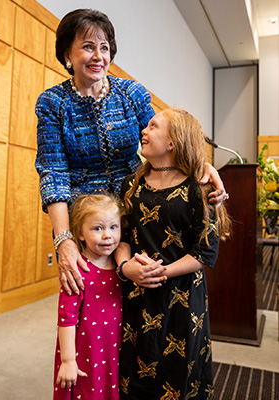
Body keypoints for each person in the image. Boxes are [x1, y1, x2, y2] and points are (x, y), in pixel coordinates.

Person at [35, 8, 227, 297]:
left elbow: (165, 139)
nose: (99, 56)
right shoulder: (52, 103)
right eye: (88, 47)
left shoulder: (131, 94)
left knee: (137, 299)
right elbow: (54, 173)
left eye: (105, 47)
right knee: (91, 304)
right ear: (67, 54)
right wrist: (63, 240)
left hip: (136, 211)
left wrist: (203, 167)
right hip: (86, 222)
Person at [116, 108, 231, 399]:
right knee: (134, 372)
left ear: (172, 142)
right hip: (136, 293)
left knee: (178, 375)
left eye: (153, 126)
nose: (144, 130)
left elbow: (205, 252)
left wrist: (161, 272)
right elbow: (121, 236)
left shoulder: (199, 188)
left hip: (181, 298)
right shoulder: (130, 185)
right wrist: (126, 267)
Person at [53, 194, 124, 400]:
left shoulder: (122, 268)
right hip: (83, 353)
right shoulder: (77, 271)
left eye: (113, 227)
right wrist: (67, 361)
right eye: (97, 228)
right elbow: (66, 319)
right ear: (81, 234)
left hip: (112, 349)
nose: (107, 236)